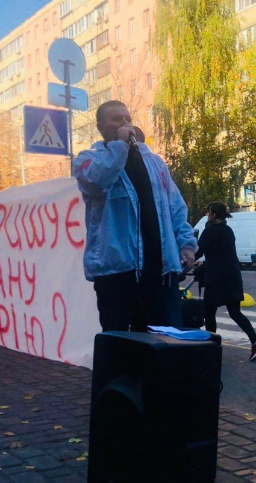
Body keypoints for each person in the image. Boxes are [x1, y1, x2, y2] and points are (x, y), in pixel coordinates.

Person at [72, 100, 197, 332]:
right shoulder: (88, 160)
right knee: (120, 347)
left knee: (166, 344)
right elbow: (99, 181)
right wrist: (119, 146)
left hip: (160, 272)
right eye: (117, 119)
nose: (125, 124)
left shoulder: (154, 162)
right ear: (101, 127)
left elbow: (175, 207)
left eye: (127, 118)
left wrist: (186, 244)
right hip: (117, 273)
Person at [195, 201, 256, 362]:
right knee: (235, 312)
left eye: (208, 212)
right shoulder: (228, 230)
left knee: (209, 312)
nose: (207, 215)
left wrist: (189, 260)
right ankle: (255, 341)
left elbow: (198, 252)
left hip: (216, 279)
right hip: (232, 277)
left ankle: (212, 348)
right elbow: (221, 253)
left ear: (213, 214)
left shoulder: (209, 230)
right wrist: (205, 263)